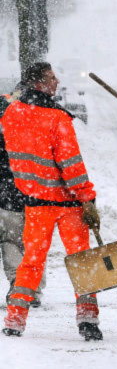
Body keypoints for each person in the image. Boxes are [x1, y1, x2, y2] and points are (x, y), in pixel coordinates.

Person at [1, 62, 102, 341]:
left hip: (35, 202)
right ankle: (88, 319)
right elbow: (72, 166)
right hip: (67, 204)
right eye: (51, 78)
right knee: (81, 260)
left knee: (31, 262)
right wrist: (87, 198)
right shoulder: (57, 118)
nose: (56, 82)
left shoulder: (11, 113)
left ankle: (15, 319)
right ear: (38, 83)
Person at [0, 82, 47, 308]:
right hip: (37, 196)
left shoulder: (4, 131)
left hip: (8, 197)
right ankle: (34, 289)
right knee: (35, 244)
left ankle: (18, 285)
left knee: (10, 242)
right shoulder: (38, 126)